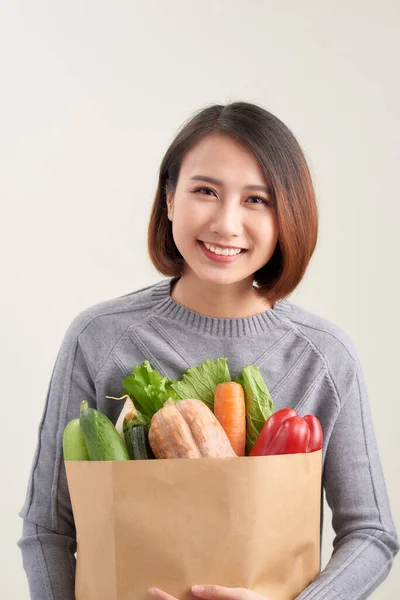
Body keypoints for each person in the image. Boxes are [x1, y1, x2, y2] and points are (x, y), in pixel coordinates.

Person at [18, 101, 399, 600]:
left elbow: (372, 535)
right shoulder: (99, 337)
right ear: (170, 199)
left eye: (256, 200)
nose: (225, 223)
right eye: (205, 191)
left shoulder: (322, 356)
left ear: (288, 215)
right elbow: (47, 528)